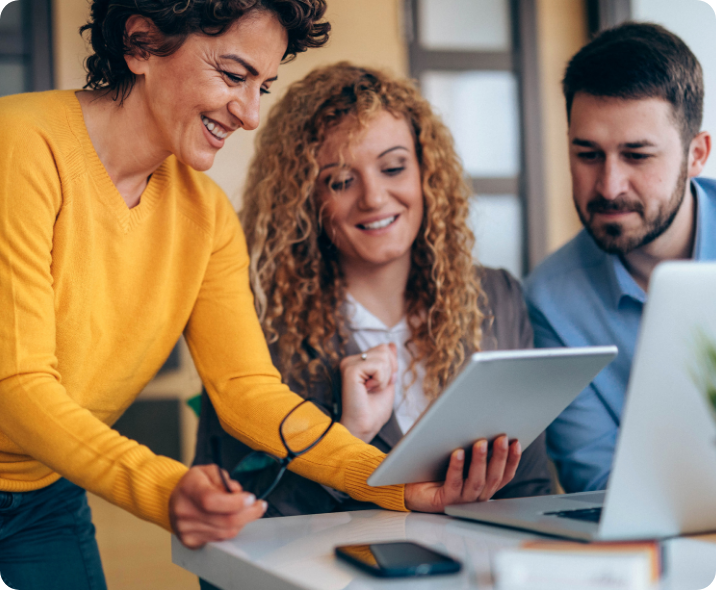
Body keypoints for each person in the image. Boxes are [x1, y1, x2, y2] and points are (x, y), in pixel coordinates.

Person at [0, 3, 495, 589]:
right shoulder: (22, 145)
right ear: (140, 44)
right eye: (234, 76)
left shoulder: (205, 216)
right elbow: (19, 386)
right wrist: (164, 487)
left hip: (44, 493)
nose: (251, 114)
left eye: (263, 85)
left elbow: (244, 390)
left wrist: (389, 480)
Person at [195, 62, 552, 524]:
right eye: (342, 181)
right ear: (306, 199)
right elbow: (237, 521)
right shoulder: (255, 326)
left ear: (426, 171)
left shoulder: (497, 298)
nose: (374, 198)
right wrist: (349, 435)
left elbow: (530, 488)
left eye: (393, 167)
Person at [524, 22, 715, 494]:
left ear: (697, 154)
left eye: (637, 155)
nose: (609, 186)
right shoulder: (550, 299)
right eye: (588, 154)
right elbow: (600, 484)